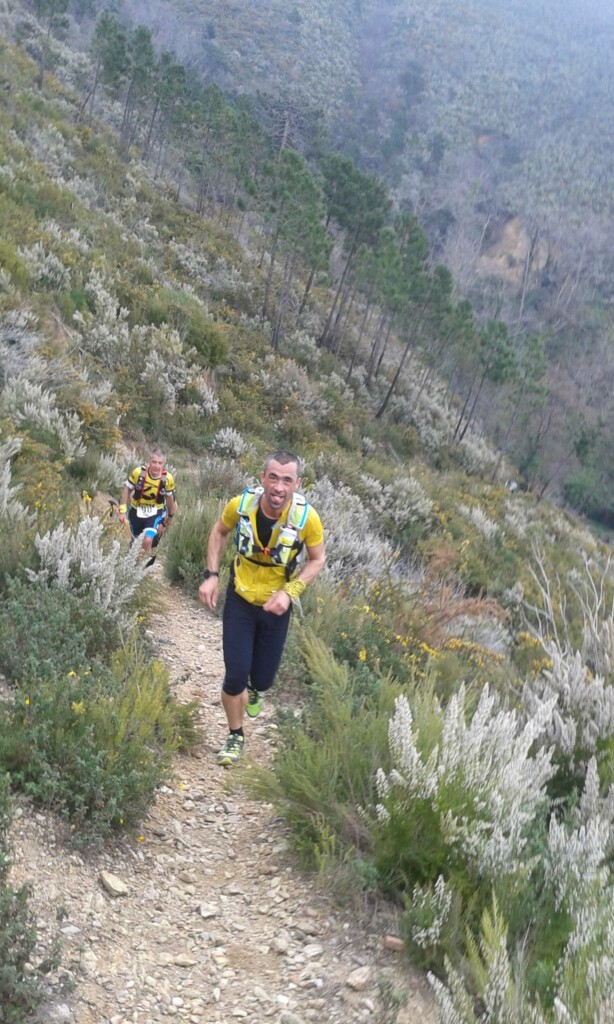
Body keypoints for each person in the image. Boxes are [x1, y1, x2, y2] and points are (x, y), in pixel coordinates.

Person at [198, 450, 325, 766]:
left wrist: (290, 592)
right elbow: (219, 531)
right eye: (273, 478)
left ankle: (257, 688)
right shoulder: (241, 506)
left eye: (286, 480)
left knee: (263, 679)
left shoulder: (307, 519)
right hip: (240, 599)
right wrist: (211, 575)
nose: (278, 487)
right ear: (262, 478)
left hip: (275, 608)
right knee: (234, 676)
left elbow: (317, 559)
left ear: (297, 483)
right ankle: (235, 735)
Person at [117, 448, 177, 564]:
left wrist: (170, 517)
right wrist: (122, 510)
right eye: (154, 462)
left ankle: (141, 568)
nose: (156, 466)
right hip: (136, 511)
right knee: (134, 542)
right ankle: (131, 564)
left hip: (155, 512)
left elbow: (170, 499)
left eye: (160, 463)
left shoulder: (167, 479)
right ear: (149, 461)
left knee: (147, 540)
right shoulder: (138, 472)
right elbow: (127, 488)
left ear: (164, 464)